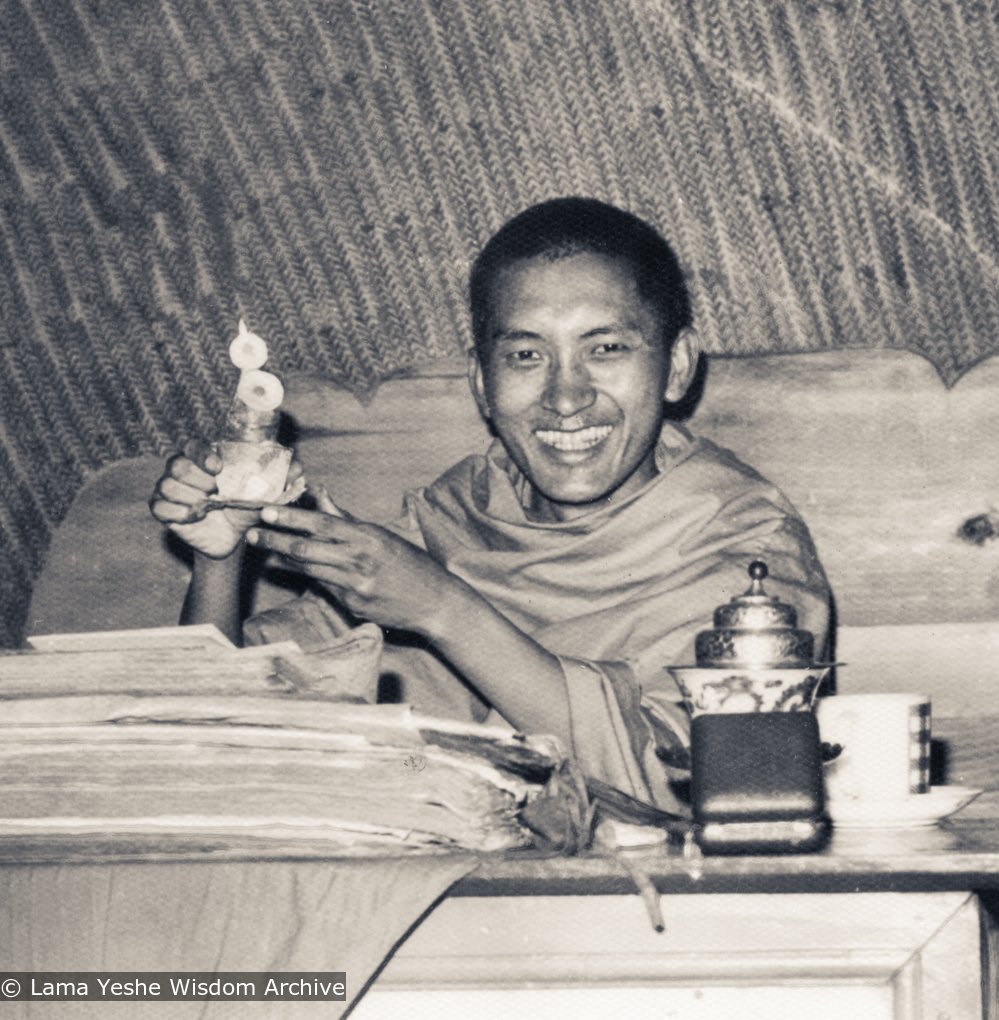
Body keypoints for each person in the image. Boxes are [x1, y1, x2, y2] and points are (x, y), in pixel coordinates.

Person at [150, 197, 830, 812]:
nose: (566, 397)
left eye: (606, 349)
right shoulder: (453, 517)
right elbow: (217, 738)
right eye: (527, 355)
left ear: (676, 367)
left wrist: (444, 611)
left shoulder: (747, 546)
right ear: (481, 383)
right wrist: (220, 560)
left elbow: (697, 785)